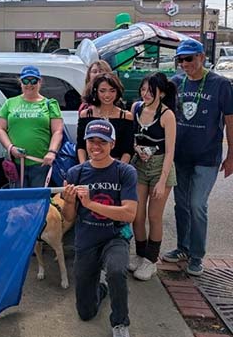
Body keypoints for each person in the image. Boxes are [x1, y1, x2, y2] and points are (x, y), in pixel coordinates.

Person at [162, 39, 233, 276]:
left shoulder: (221, 85)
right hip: (180, 156)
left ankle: (197, 255)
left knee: (196, 204)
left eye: (189, 58)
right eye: (181, 60)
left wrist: (231, 155)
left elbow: (230, 122)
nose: (185, 64)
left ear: (202, 57)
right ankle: (183, 248)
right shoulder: (175, 82)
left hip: (207, 157)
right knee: (181, 204)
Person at [62, 120, 138, 337]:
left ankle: (120, 323)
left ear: (112, 143)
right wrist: (68, 202)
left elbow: (129, 213)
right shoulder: (75, 173)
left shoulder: (125, 172)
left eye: (102, 142)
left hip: (115, 236)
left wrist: (90, 204)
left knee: (116, 270)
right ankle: (102, 288)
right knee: (85, 313)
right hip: (86, 238)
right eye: (92, 141)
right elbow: (69, 218)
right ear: (85, 142)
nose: (96, 146)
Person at [128, 72, 177, 281]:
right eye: (143, 89)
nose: (145, 93)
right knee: (137, 215)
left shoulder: (167, 115)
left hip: (160, 168)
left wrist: (162, 180)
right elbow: (129, 136)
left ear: (162, 93)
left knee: (154, 216)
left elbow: (170, 150)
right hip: (139, 166)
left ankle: (151, 260)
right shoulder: (136, 108)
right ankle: (140, 254)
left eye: (151, 90)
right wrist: (136, 148)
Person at [0, 65, 63, 187]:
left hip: (40, 163)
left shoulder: (50, 104)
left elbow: (57, 131)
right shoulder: (10, 103)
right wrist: (10, 148)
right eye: (26, 81)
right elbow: (0, 129)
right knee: (18, 201)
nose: (29, 85)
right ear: (20, 82)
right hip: (16, 162)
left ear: (40, 82)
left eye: (34, 81)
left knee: (37, 201)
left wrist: (51, 152)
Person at [77, 73, 134, 164]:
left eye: (112, 91)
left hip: (117, 165)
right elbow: (81, 146)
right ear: (96, 92)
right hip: (91, 164)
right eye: (102, 91)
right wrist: (83, 167)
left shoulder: (126, 116)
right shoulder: (86, 114)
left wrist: (119, 170)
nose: (107, 95)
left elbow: (128, 150)